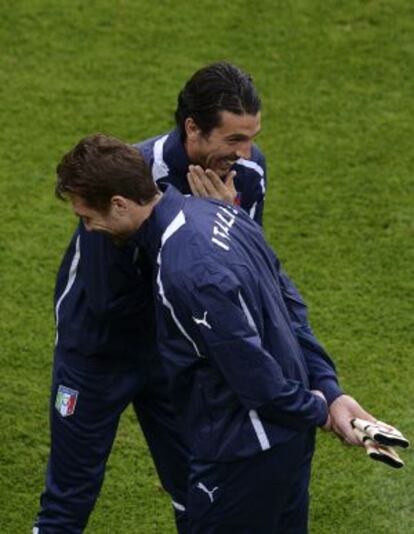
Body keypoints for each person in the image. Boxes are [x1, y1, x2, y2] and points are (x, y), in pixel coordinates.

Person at [34, 62, 373, 533]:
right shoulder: (126, 181)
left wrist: (221, 223)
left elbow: (257, 278)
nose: (246, 152)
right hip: (97, 351)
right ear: (193, 129)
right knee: (68, 499)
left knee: (194, 491)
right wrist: (196, 237)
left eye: (251, 136)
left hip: (176, 350)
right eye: (233, 140)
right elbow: (112, 298)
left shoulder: (247, 174)